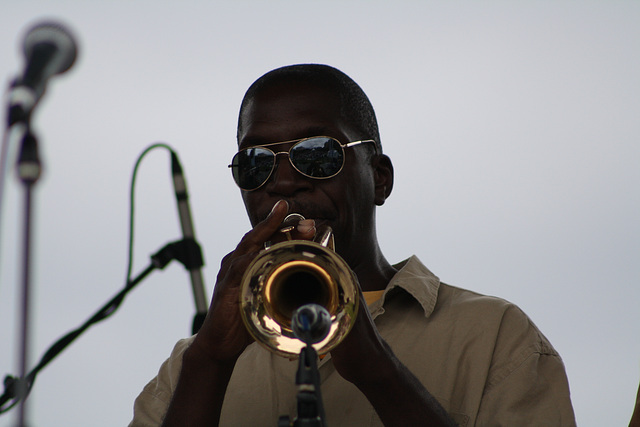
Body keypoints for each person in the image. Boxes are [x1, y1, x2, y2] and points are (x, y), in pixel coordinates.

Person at [129, 64, 576, 426]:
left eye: (318, 154)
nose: (284, 180)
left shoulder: (496, 337)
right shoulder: (189, 367)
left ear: (379, 178)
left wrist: (376, 368)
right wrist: (209, 360)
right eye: (255, 163)